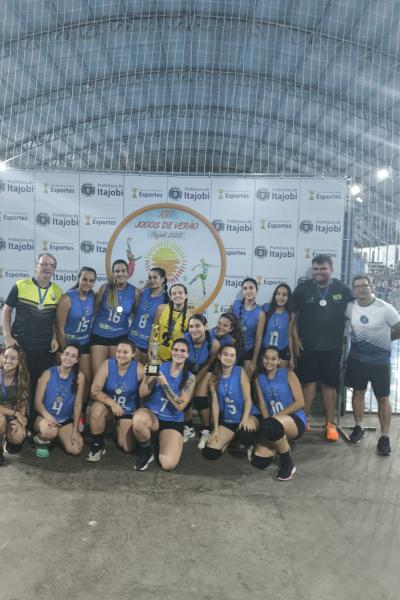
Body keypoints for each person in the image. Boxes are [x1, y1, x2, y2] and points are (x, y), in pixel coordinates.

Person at [292, 254, 352, 441]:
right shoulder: (302, 289)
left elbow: (356, 310)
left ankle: (330, 424)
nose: (319, 272)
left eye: (323, 268)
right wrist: (295, 340)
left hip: (333, 348)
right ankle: (304, 420)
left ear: (331, 270)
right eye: (316, 269)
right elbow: (293, 319)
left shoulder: (343, 289)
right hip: (308, 346)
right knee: (307, 384)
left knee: (329, 386)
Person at [2, 253, 63, 427]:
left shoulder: (57, 291)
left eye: (50, 265)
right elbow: (6, 310)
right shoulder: (21, 285)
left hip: (44, 348)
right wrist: (7, 335)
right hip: (21, 344)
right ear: (36, 266)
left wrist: (54, 337)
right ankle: (16, 423)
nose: (46, 267)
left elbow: (55, 318)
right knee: (21, 384)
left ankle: (33, 425)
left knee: (38, 385)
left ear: (54, 270)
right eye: (43, 264)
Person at [344, 275, 400, 454]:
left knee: (383, 398)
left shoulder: (385, 308)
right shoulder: (350, 307)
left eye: (364, 285)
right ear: (354, 289)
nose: (361, 288)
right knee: (358, 393)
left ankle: (384, 437)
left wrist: (386, 340)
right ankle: (359, 427)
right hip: (357, 360)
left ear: (371, 286)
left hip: (379, 362)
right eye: (357, 286)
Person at [133, 338, 196, 471]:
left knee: (168, 464)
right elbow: (142, 393)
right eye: (176, 350)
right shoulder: (160, 366)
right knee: (138, 420)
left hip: (172, 420)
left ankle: (162, 439)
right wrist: (146, 378)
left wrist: (163, 383)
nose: (179, 353)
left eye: (183, 351)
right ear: (171, 351)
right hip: (153, 415)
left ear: (187, 354)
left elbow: (180, 406)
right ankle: (147, 450)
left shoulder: (190, 377)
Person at [252, 346, 306, 480]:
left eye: (273, 358)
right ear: (262, 359)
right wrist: (267, 425)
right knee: (259, 462)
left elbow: (300, 402)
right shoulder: (259, 378)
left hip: (294, 419)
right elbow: (263, 406)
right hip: (273, 422)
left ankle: (288, 463)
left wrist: (276, 418)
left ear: (279, 361)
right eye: (266, 358)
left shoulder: (288, 374)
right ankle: (281, 441)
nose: (269, 361)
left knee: (272, 425)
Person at [87, 340, 144, 462]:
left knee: (127, 447)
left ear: (133, 354)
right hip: (108, 406)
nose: (121, 355)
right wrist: (112, 404)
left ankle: (115, 428)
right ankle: (97, 445)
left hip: (127, 409)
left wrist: (141, 408)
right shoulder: (107, 364)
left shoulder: (139, 369)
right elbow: (94, 391)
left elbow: (147, 392)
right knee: (96, 410)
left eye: (125, 352)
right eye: (118, 351)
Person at [203, 344, 260, 461]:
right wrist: (216, 429)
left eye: (232, 355)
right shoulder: (214, 377)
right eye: (225, 354)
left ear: (235, 358)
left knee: (245, 434)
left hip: (248, 415)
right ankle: (232, 438)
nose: (229, 358)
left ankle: (252, 441)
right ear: (219, 356)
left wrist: (244, 419)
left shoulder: (240, 372)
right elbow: (215, 404)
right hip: (228, 420)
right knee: (210, 453)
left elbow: (247, 398)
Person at [34, 345, 84, 458]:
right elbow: (37, 403)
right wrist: (49, 417)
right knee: (49, 432)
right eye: (66, 354)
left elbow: (77, 405)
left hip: (64, 420)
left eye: (73, 356)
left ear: (77, 360)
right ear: (61, 355)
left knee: (76, 449)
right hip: (45, 417)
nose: (68, 358)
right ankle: (40, 440)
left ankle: (57, 437)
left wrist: (75, 430)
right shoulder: (48, 373)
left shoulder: (80, 377)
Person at [56, 267, 97, 404]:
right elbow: (60, 327)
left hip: (84, 342)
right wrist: (64, 350)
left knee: (86, 377)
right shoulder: (67, 298)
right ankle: (64, 405)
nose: (87, 283)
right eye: (84, 279)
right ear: (78, 278)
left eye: (91, 281)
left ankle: (82, 407)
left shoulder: (93, 297)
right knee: (66, 377)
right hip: (68, 343)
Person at [91, 259, 139, 374]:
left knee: (115, 374)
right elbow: (95, 310)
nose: (120, 274)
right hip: (99, 334)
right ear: (113, 273)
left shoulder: (135, 292)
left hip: (120, 336)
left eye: (123, 271)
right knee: (97, 373)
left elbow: (135, 313)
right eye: (117, 271)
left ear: (128, 273)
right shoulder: (104, 288)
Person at [183, 314, 220, 448]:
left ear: (205, 326)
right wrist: (187, 384)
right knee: (185, 396)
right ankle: (189, 427)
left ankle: (206, 430)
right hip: (188, 369)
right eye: (191, 326)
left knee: (199, 397)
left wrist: (195, 382)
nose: (194, 330)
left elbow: (208, 364)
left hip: (206, 369)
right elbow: (181, 362)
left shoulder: (214, 344)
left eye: (197, 326)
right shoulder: (184, 339)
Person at [128, 268, 169, 363]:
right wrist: (144, 286)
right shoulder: (144, 292)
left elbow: (158, 326)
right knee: (133, 370)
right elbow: (133, 307)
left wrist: (152, 346)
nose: (152, 280)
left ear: (163, 279)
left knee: (149, 370)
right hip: (133, 339)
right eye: (150, 277)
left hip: (149, 344)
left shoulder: (166, 299)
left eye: (155, 277)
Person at [0, 346, 30, 465]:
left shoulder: (23, 377)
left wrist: (20, 421)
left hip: (12, 412)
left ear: (19, 361)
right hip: (3, 412)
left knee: (18, 436)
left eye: (13, 358)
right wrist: (16, 413)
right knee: (0, 421)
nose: (8, 361)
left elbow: (23, 402)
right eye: (6, 357)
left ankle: (8, 439)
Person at [232, 277, 265, 377]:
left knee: (246, 380)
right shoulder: (236, 305)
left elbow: (258, 339)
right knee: (233, 378)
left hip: (249, 350)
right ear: (242, 291)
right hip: (234, 349)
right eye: (245, 288)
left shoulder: (260, 313)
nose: (248, 291)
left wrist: (254, 361)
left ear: (256, 290)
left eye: (251, 288)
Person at [152, 284, 192, 362]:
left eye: (180, 293)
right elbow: (155, 330)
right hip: (157, 356)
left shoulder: (190, 316)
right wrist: (152, 350)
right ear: (170, 297)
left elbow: (187, 342)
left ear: (186, 295)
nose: (177, 295)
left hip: (175, 359)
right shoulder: (161, 308)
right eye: (174, 293)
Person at [262, 284, 295, 369]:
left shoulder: (290, 314)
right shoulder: (266, 308)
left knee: (281, 375)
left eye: (284, 295)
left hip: (283, 350)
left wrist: (292, 356)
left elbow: (290, 337)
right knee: (265, 375)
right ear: (274, 295)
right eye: (278, 294)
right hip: (266, 349)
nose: (281, 297)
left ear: (288, 297)